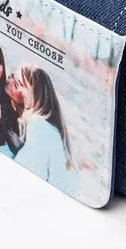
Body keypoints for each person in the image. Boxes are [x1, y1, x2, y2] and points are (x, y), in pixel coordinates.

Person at [12, 66, 78, 195]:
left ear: (36, 91)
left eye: (23, 86)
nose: (20, 91)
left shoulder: (38, 127)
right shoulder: (52, 129)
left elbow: (31, 175)